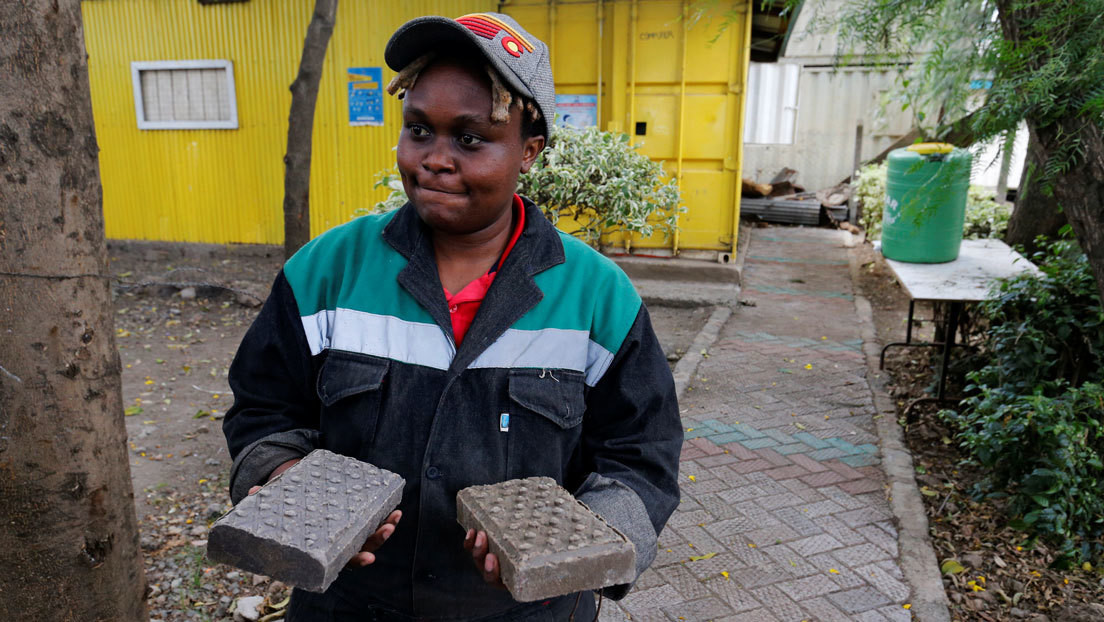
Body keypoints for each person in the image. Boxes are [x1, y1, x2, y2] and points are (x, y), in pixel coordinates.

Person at [222, 12, 682, 621]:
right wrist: (289, 483)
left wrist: (583, 543)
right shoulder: (325, 273)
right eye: (419, 130)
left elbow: (640, 452)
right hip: (348, 605)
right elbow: (263, 407)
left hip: (530, 610)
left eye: (470, 138)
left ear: (529, 152)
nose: (436, 158)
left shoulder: (597, 296)